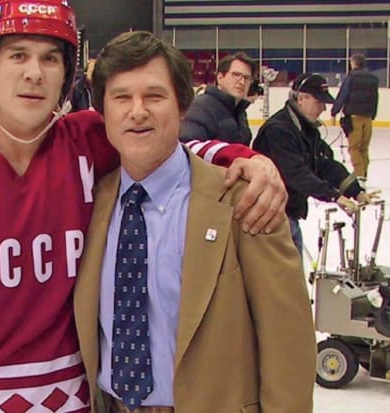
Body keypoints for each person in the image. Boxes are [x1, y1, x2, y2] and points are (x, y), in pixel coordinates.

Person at [0, 1, 286, 412]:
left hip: (72, 401)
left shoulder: (85, 143)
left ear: (67, 75)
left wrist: (242, 158)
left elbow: (162, 149)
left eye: (50, 58)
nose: (34, 73)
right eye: (17, 55)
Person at [74, 31, 316, 413]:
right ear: (102, 112)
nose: (138, 111)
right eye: (121, 97)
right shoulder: (91, 202)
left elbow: (287, 342)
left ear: (182, 105)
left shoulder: (244, 201)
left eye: (154, 96)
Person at [254, 73, 376, 254]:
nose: (323, 109)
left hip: (288, 214)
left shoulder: (307, 129)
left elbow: (325, 164)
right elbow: (296, 174)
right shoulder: (278, 131)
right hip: (271, 216)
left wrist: (355, 191)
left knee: (294, 268)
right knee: (285, 269)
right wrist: (333, 196)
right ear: (301, 98)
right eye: (319, 102)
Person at [179, 52, 257, 145]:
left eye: (247, 78)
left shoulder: (240, 112)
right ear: (220, 77)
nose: (242, 82)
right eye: (236, 74)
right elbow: (190, 147)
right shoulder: (200, 107)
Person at [330, 53, 379, 181]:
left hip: (354, 117)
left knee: (354, 148)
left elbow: (343, 95)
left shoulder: (351, 77)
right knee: (364, 148)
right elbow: (375, 97)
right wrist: (373, 115)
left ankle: (359, 175)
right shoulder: (373, 78)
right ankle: (363, 173)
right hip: (367, 117)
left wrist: (334, 111)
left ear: (354, 63)